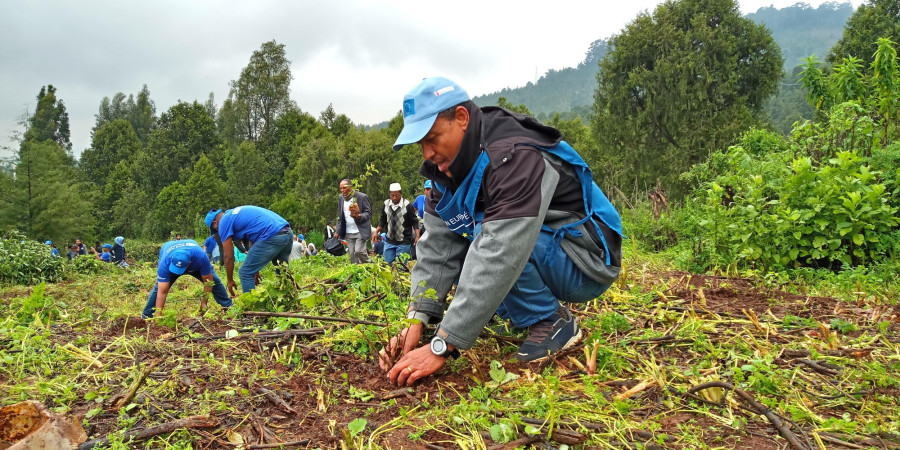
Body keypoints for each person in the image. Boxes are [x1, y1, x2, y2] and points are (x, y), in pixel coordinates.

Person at [380, 77, 623, 385]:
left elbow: (501, 249)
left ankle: (551, 322)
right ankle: (522, 310)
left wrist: (443, 345)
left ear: (462, 118)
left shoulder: (514, 154)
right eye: (421, 145)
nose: (427, 153)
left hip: (587, 260)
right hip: (545, 249)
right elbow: (438, 248)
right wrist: (419, 316)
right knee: (470, 239)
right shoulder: (446, 171)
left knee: (488, 236)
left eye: (433, 138)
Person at [205, 205, 293, 296]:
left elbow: (228, 256)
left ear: (215, 223)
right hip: (287, 233)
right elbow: (253, 241)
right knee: (281, 270)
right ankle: (290, 297)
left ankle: (251, 307)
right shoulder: (235, 214)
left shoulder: (223, 222)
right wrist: (255, 270)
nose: (218, 232)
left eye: (216, 229)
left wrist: (230, 280)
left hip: (272, 235)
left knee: (245, 272)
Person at [141, 239, 232, 319]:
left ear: (189, 263)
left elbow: (208, 283)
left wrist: (204, 303)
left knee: (214, 281)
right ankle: (147, 316)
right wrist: (158, 315)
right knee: (158, 288)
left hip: (196, 263)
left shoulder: (201, 258)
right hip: (169, 256)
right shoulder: (165, 262)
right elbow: (162, 292)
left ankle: (228, 306)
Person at [373, 182, 421, 264]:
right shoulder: (386, 204)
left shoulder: (407, 205)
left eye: (397, 195)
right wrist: (376, 232)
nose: (394, 198)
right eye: (392, 195)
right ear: (390, 195)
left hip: (404, 241)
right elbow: (383, 220)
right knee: (388, 263)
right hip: (389, 240)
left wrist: (417, 236)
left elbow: (414, 221)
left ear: (401, 194)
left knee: (401, 265)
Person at [335, 179, 372, 263]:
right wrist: (338, 231)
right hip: (348, 231)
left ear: (350, 187)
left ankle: (369, 264)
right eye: (340, 188)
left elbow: (368, 213)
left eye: (344, 188)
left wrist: (359, 216)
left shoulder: (361, 197)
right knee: (352, 254)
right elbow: (341, 216)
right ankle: (356, 272)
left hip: (360, 230)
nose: (342, 190)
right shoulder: (341, 198)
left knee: (358, 251)